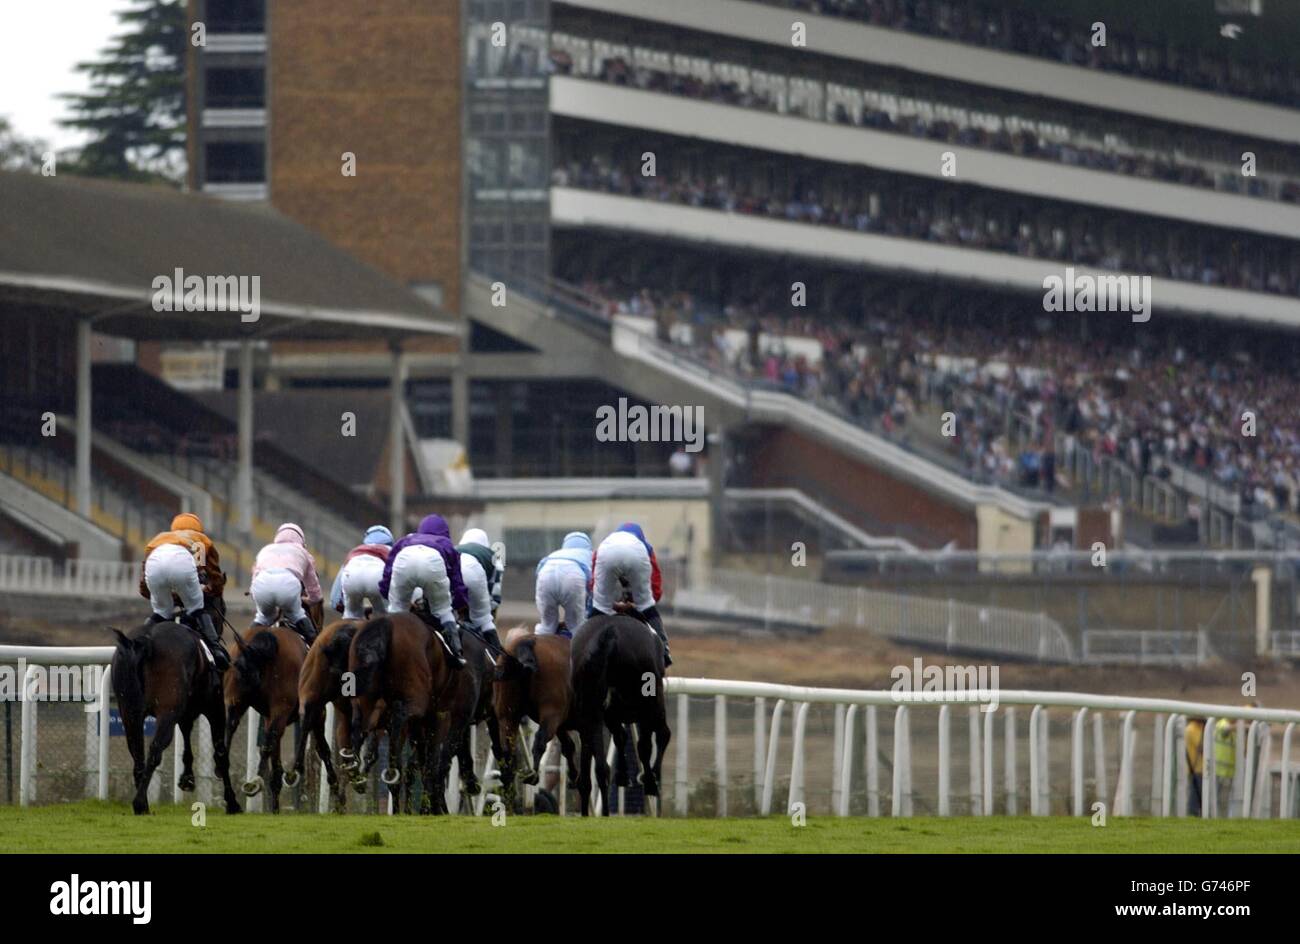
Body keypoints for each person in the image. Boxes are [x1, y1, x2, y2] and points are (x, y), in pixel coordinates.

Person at [140, 512, 229, 670]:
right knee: (196, 607)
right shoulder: (198, 540)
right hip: (181, 564)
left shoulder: (160, 539)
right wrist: (214, 590)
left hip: (154, 563)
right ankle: (215, 649)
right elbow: (212, 575)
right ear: (198, 529)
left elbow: (144, 587)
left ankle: (140, 640)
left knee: (161, 612)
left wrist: (167, 597)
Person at [379, 513, 468, 667]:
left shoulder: (405, 540)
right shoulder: (446, 543)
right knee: (443, 610)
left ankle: (383, 651)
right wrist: (459, 604)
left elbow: (388, 572)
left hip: (404, 558)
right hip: (433, 562)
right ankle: (456, 653)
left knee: (396, 611)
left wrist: (387, 593)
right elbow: (457, 583)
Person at [590, 523, 671, 666]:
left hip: (607, 553)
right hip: (637, 555)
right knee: (647, 605)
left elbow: (592, 583)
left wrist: (607, 604)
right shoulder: (645, 545)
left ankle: (585, 646)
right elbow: (656, 590)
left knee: (599, 606)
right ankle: (664, 648)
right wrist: (639, 604)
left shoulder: (607, 541)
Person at [250, 522, 322, 644]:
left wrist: (256, 594)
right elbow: (314, 589)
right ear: (301, 540)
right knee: (297, 615)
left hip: (262, 584)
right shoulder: (303, 552)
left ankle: (245, 649)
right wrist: (311, 600)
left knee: (262, 617)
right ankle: (316, 648)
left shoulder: (265, 550)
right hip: (288, 586)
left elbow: (254, 583)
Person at [534, 531, 592, 637]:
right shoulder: (588, 555)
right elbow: (591, 584)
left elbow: (538, 572)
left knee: (547, 626)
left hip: (546, 575)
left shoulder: (554, 553)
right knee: (576, 626)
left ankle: (537, 644)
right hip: (573, 576)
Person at [329, 525, 393, 620]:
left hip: (352, 578)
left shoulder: (355, 552)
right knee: (384, 617)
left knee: (351, 617)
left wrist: (342, 606)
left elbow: (335, 600)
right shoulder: (391, 551)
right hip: (376, 580)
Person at [457, 527, 503, 651]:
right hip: (475, 580)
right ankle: (497, 656)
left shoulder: (455, 549)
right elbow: (494, 598)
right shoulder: (494, 558)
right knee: (484, 620)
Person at [1185, 717, 1206, 816]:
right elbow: (1202, 747)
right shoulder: (1192, 729)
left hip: (1201, 768)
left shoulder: (1199, 727)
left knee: (1198, 794)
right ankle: (1192, 814)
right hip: (1196, 768)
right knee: (1195, 795)